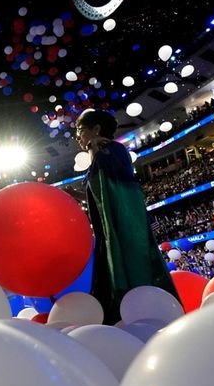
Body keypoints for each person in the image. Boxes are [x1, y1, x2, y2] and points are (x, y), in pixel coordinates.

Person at [74, 109, 180, 323]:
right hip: (107, 230)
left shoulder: (112, 150)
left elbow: (115, 191)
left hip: (124, 227)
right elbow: (99, 194)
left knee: (132, 266)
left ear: (96, 129)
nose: (78, 136)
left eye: (81, 130)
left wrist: (95, 150)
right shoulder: (100, 155)